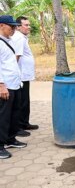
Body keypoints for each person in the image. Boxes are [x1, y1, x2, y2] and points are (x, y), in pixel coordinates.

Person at [0, 15, 27, 159]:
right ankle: (0, 145)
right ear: (1, 26)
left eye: (15, 27)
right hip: (5, 86)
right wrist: (1, 85)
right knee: (3, 116)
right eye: (12, 27)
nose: (14, 29)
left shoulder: (7, 41)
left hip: (15, 84)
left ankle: (11, 139)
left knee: (14, 114)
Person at [10, 16, 38, 138]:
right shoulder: (19, 38)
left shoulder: (22, 38)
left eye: (29, 24)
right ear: (18, 26)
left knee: (25, 101)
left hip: (25, 76)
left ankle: (25, 123)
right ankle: (19, 126)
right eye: (26, 25)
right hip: (20, 76)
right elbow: (16, 57)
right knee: (21, 102)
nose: (29, 27)